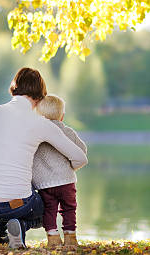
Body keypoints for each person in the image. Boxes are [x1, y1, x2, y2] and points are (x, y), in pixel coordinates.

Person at [0, 67, 88, 249]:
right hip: (14, 204)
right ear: (41, 95)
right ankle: (21, 226)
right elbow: (79, 156)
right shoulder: (40, 124)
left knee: (8, 182)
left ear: (14, 88)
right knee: (48, 206)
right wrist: (65, 171)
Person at [32, 95, 87, 248]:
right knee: (69, 209)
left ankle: (53, 239)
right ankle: (70, 238)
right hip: (66, 181)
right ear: (61, 116)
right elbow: (82, 150)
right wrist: (70, 167)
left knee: (49, 210)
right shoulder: (67, 131)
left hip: (44, 183)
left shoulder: (36, 133)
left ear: (38, 115)